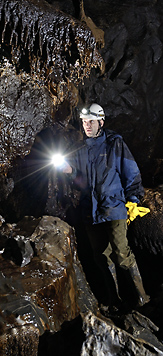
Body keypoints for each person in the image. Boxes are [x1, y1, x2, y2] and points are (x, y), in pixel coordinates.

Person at [61, 103, 150, 313]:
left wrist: (134, 200)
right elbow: (80, 182)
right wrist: (70, 171)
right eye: (84, 122)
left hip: (114, 207)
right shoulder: (81, 149)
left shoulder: (114, 144)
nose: (87, 126)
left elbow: (131, 172)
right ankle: (114, 300)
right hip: (90, 210)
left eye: (91, 122)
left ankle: (142, 298)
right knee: (101, 256)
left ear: (101, 121)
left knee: (121, 252)